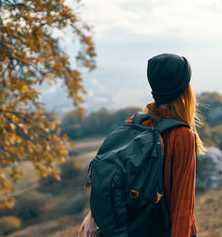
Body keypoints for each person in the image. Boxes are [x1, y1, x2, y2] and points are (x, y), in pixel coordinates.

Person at [78, 53, 205, 237]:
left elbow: (113, 177)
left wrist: (94, 214)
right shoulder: (182, 135)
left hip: (134, 228)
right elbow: (182, 207)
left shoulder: (136, 122)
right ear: (185, 88)